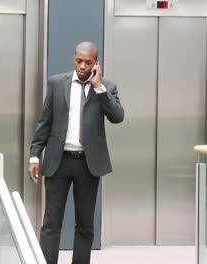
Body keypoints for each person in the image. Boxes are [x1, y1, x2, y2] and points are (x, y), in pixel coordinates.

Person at [28, 41, 124, 264]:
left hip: (88, 164)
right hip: (58, 161)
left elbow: (118, 116)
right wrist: (34, 155)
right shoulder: (56, 84)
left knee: (85, 225)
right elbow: (44, 122)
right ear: (74, 58)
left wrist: (98, 87)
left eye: (88, 62)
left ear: (96, 63)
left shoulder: (106, 87)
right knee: (51, 223)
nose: (82, 66)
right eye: (78, 60)